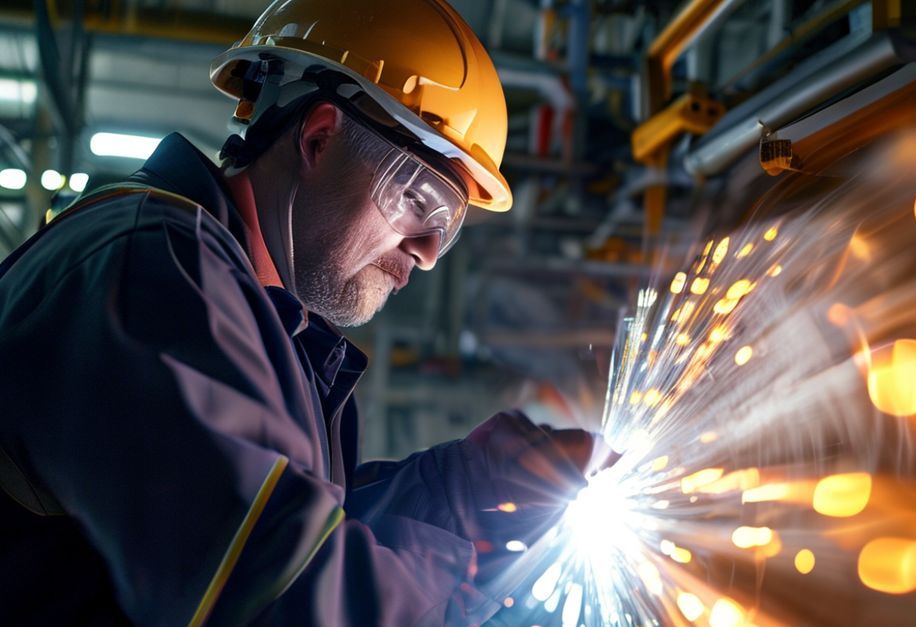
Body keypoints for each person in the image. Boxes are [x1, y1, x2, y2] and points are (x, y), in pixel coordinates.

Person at [0, 1, 596, 624]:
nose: (424, 254)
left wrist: (462, 489)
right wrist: (467, 563)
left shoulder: (266, 330)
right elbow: (277, 596)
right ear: (318, 138)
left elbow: (310, 535)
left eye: (444, 228)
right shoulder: (152, 268)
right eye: (418, 199)